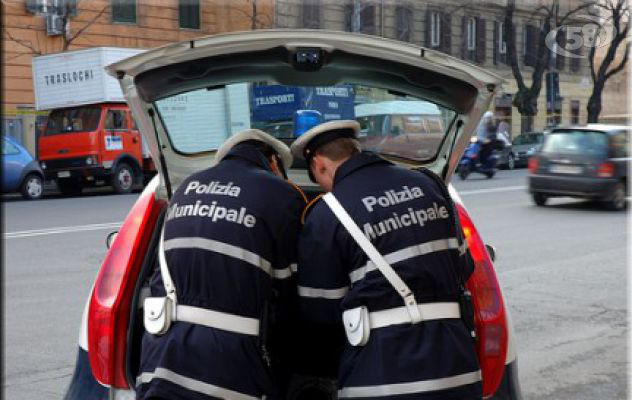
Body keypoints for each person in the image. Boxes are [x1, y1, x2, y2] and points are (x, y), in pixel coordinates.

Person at [290, 120, 482, 400]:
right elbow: (464, 266)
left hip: (381, 373)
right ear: (356, 150)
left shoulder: (327, 213)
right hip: (457, 366)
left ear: (319, 164)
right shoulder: (430, 185)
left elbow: (321, 311)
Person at [136, 129, 306, 400]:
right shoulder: (281, 194)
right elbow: (290, 294)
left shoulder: (184, 188)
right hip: (230, 368)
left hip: (159, 361)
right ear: (273, 161)